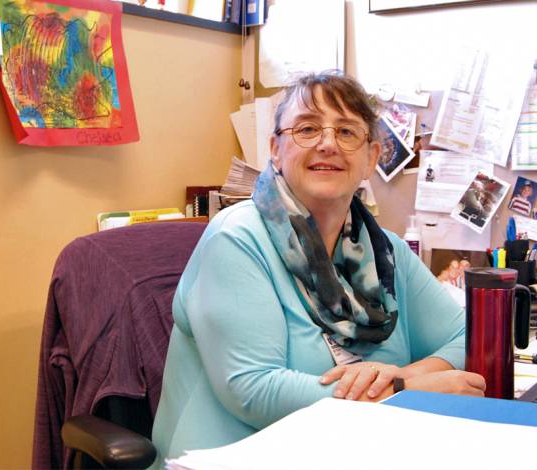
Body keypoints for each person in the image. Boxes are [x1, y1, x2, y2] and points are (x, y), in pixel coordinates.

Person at [151, 71, 485, 462]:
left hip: (357, 451)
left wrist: (408, 377)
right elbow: (254, 390)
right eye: (307, 129)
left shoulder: (384, 251)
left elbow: (468, 338)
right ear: (275, 149)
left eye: (346, 132)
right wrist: (402, 392)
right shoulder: (237, 239)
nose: (328, 144)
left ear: (371, 157)